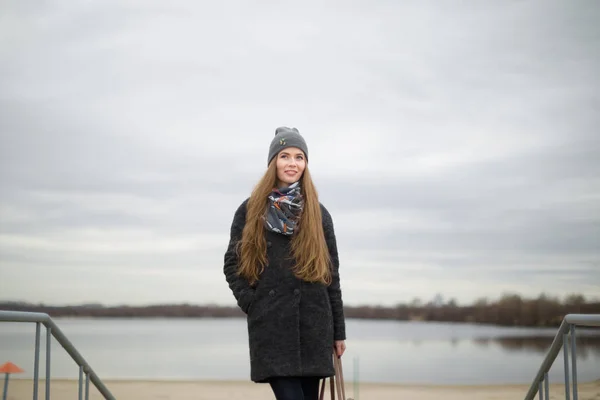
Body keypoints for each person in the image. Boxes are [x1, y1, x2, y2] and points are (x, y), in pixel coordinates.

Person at [223, 126, 347, 400]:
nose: (292, 163)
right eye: (285, 156)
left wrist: (338, 332)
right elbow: (232, 264)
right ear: (273, 162)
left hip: (314, 326)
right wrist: (253, 304)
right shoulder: (250, 209)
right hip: (272, 326)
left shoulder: (318, 212)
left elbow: (332, 276)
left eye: (299, 157)